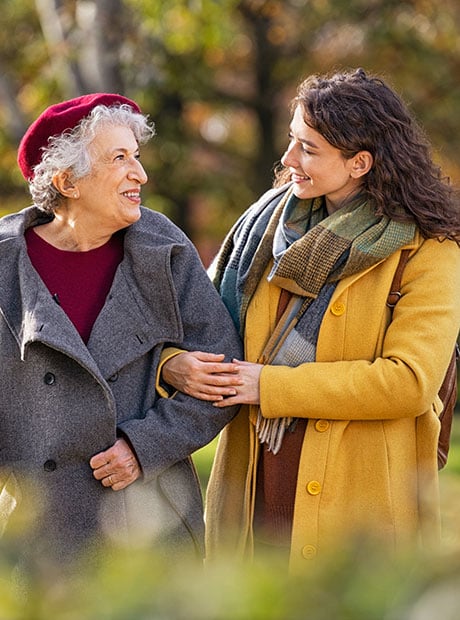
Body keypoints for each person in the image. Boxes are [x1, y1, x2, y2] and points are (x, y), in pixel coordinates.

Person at [161, 69, 460, 572]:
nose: (287, 159)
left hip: (358, 499)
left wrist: (271, 386)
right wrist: (173, 364)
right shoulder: (263, 231)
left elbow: (408, 381)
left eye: (308, 148)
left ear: (360, 162)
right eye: (291, 140)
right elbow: (199, 325)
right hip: (254, 479)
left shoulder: (429, 251)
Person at [0, 93, 242, 572]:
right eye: (119, 158)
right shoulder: (4, 262)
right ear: (67, 180)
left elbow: (223, 372)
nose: (140, 174)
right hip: (37, 529)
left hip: (148, 522)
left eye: (136, 155)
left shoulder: (163, 248)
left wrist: (145, 445)